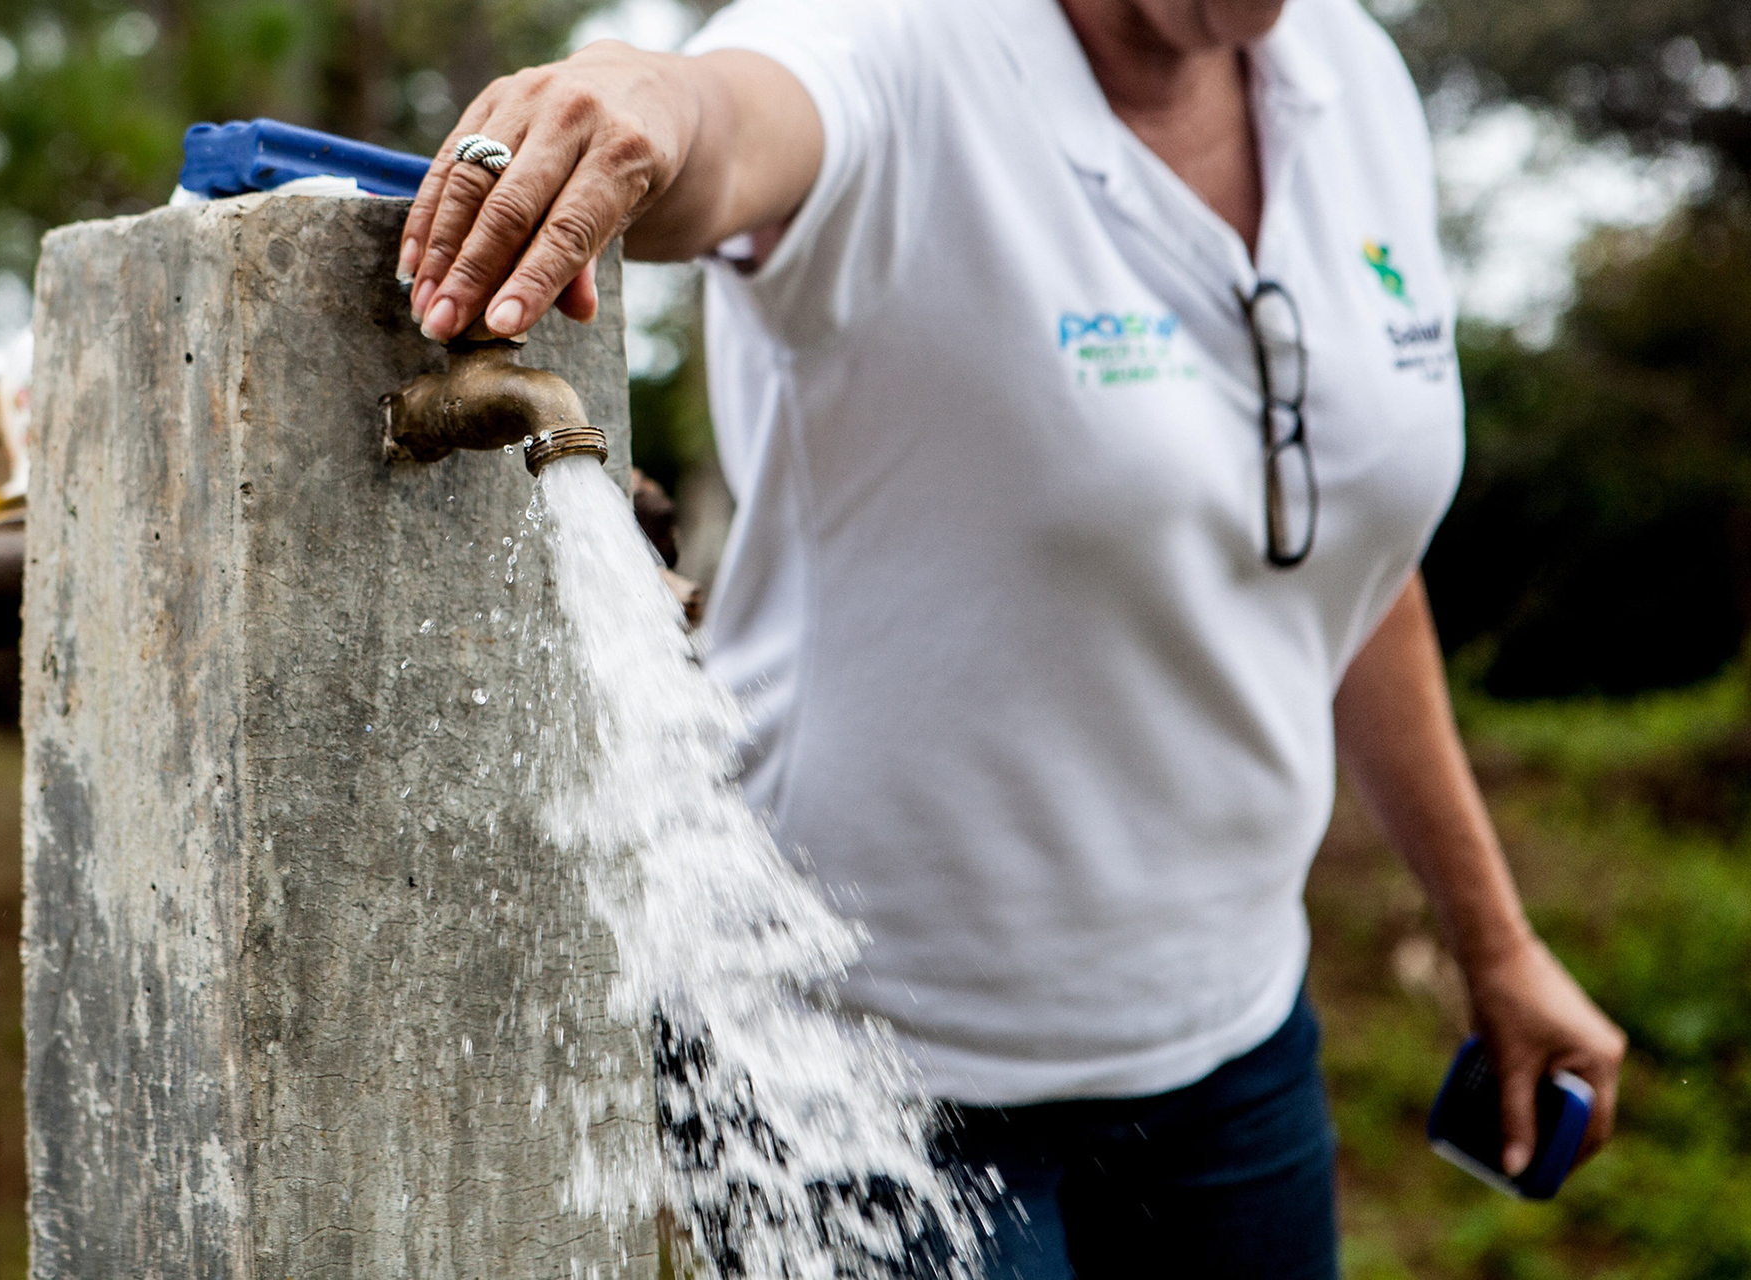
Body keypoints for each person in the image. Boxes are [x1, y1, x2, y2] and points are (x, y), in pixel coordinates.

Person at [398, 0, 1629, 1274]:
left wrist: (1495, 939)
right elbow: (725, 128)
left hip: (1235, 1043)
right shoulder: (896, 41)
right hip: (851, 1072)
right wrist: (635, 98)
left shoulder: (1348, 71)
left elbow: (1339, 556)